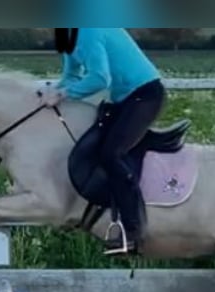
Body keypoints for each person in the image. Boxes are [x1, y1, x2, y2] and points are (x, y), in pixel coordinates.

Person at [39, 28, 166, 255]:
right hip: (125, 99)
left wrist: (64, 94)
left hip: (145, 96)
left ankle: (134, 231)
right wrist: (50, 92)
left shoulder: (88, 30)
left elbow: (100, 78)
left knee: (112, 154)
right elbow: (72, 76)